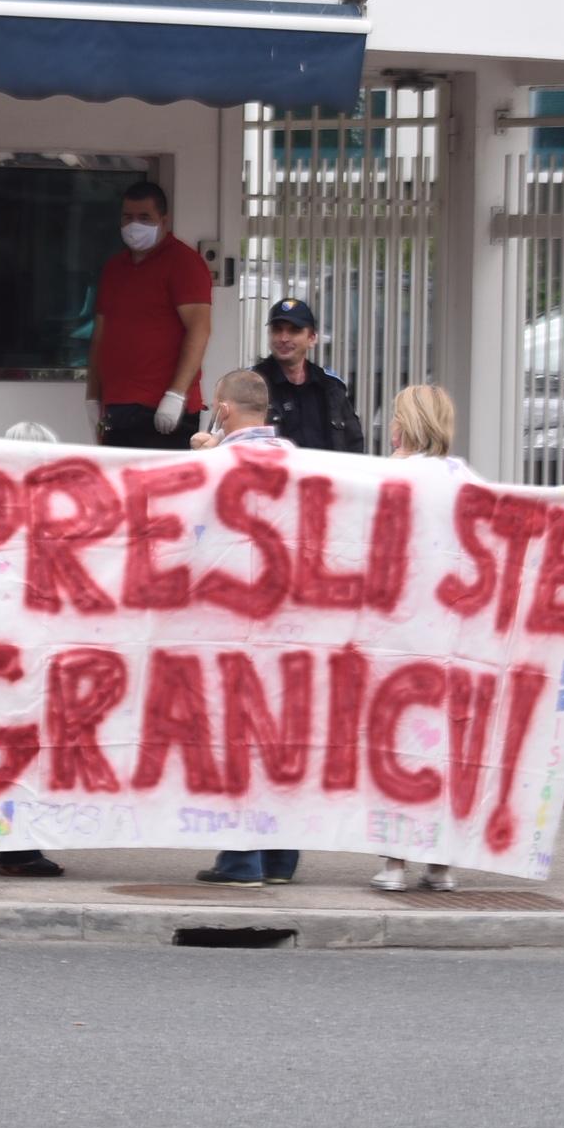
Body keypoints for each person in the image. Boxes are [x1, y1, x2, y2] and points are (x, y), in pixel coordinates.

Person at [190, 370, 300, 885]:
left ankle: (240, 861)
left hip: (231, 623)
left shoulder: (215, 466)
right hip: (291, 625)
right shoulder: (300, 465)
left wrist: (203, 460)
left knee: (233, 742)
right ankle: (280, 859)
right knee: (280, 742)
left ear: (225, 409)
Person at [373, 383, 466, 895]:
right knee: (441, 748)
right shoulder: (462, 481)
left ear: (404, 425)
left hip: (396, 632)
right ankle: (441, 861)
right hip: (448, 635)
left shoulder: (390, 478)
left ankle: (393, 862)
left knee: (396, 746)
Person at [84, 178, 211, 450]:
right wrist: (93, 396)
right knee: (120, 491)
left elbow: (199, 329)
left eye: (144, 217)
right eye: (127, 217)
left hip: (163, 409)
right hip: (118, 406)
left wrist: (176, 394)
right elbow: (101, 334)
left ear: (163, 221)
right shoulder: (114, 268)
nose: (134, 225)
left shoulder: (184, 262)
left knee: (163, 491)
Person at [252, 299, 365, 453]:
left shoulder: (331, 386)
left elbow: (354, 443)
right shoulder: (251, 384)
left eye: (294, 330)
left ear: (312, 338)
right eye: (277, 330)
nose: (284, 338)